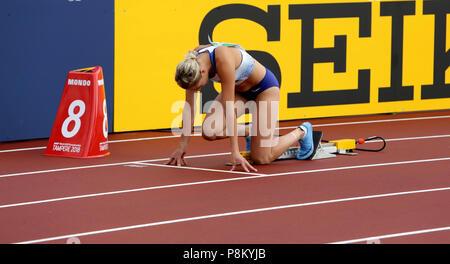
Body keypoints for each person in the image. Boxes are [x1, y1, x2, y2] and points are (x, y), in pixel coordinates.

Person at [167, 41, 314, 172]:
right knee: (209, 130)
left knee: (262, 158)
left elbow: (230, 110)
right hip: (240, 92)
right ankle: (251, 132)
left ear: (203, 72)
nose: (197, 90)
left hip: (264, 90)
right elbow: (189, 108)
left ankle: (302, 131)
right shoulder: (191, 66)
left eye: (198, 87)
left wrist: (235, 152)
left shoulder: (222, 60)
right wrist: (182, 146)